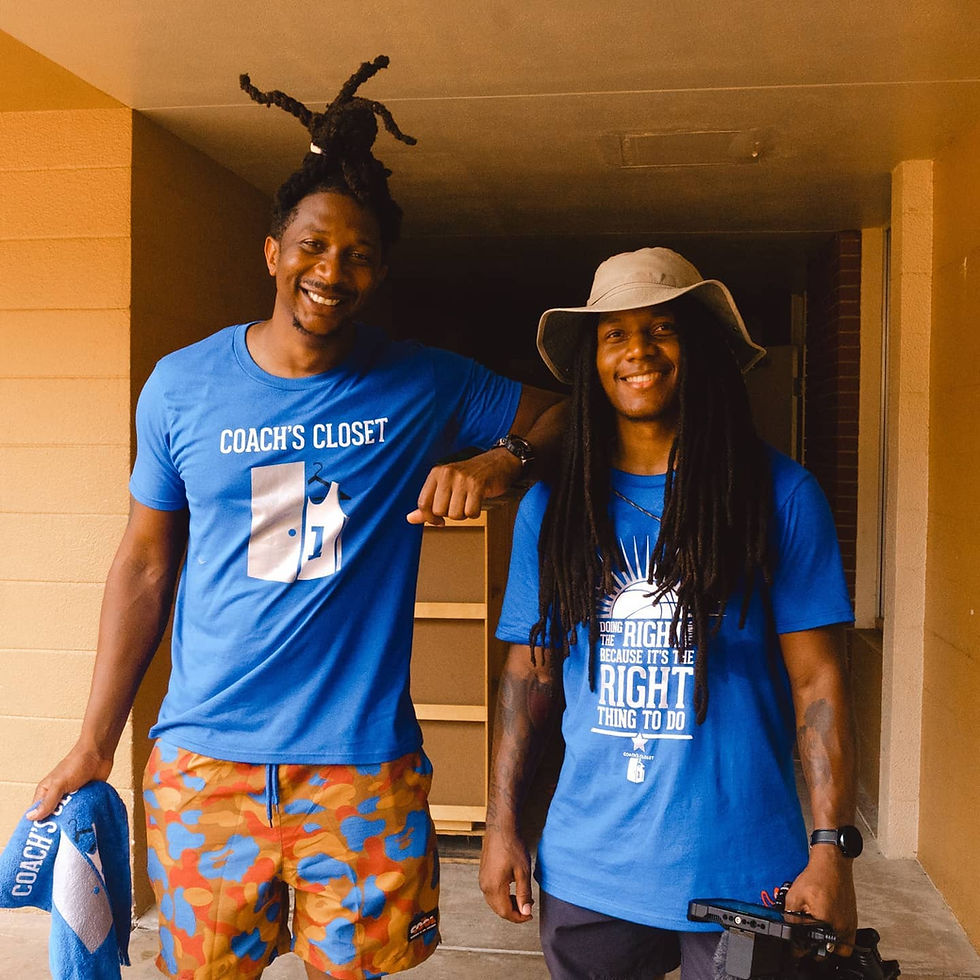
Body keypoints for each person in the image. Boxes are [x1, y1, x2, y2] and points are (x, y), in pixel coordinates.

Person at [26, 57, 562, 980]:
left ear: (380, 270)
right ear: (272, 251)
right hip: (204, 769)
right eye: (313, 245)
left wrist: (497, 461)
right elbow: (146, 565)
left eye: (358, 254)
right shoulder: (182, 386)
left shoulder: (423, 381)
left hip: (362, 771)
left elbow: (562, 415)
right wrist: (93, 742)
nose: (332, 270)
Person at [479, 247, 860, 980]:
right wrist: (501, 827)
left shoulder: (777, 495)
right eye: (614, 334)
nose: (638, 352)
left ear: (700, 347)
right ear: (593, 360)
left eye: (662, 328)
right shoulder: (555, 507)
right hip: (590, 869)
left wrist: (829, 851)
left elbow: (818, 685)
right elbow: (530, 671)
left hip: (747, 871)